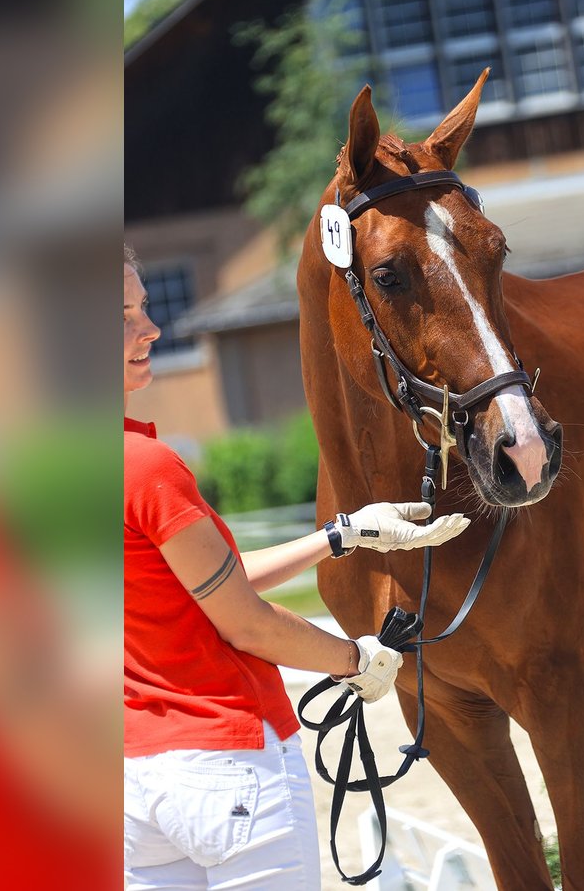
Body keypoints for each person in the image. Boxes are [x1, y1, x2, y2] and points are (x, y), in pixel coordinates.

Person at [123, 250, 469, 890]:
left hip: (132, 781)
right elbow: (245, 625)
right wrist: (354, 661)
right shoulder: (146, 469)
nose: (150, 329)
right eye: (124, 316)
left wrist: (342, 535)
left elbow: (205, 583)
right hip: (225, 758)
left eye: (143, 307)